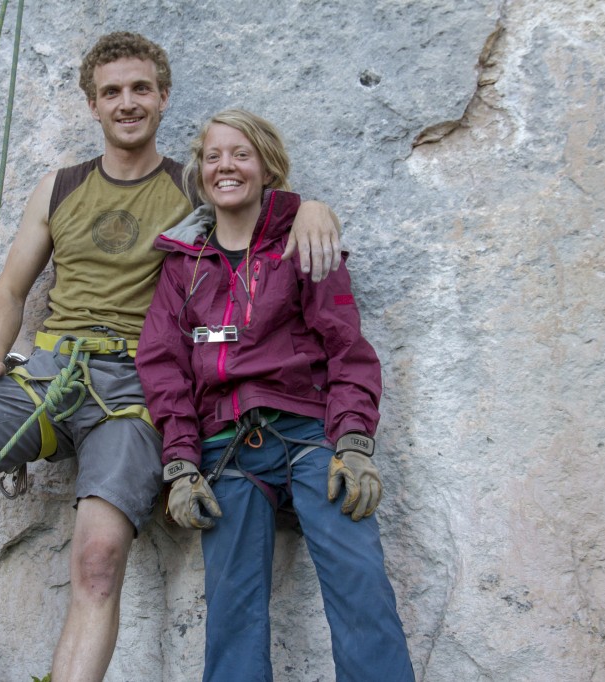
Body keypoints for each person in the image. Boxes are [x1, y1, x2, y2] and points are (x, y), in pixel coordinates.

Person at [0, 34, 342, 682]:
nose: (126, 103)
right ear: (92, 104)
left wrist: (315, 210)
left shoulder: (193, 186)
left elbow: (264, 214)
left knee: (99, 557)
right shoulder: (61, 187)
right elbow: (12, 287)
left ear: (163, 97)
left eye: (140, 89)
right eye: (111, 92)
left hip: (140, 389)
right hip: (49, 373)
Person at [135, 109, 415, 681]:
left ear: (267, 166)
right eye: (213, 156)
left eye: (240, 154)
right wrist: (182, 464)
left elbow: (346, 345)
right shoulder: (182, 264)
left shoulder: (305, 241)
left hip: (312, 438)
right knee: (232, 611)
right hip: (228, 452)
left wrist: (356, 442)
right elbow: (163, 366)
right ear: (200, 172)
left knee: (360, 583)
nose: (225, 167)